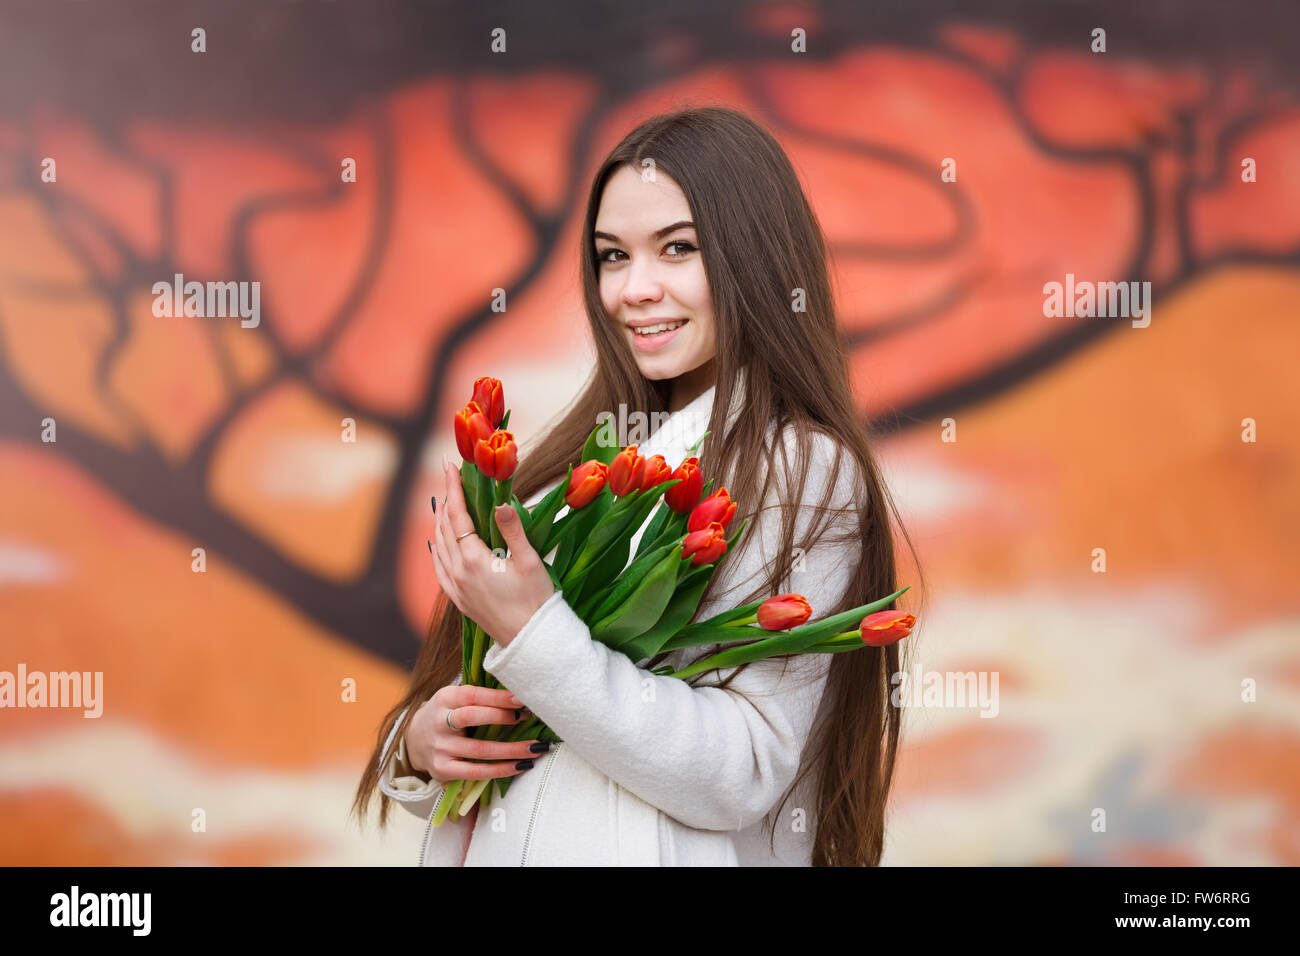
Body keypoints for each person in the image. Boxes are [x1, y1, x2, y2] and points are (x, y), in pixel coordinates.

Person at [351, 105, 922, 866]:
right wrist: (423, 741)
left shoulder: (801, 469)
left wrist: (535, 633)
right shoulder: (567, 468)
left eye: (677, 248)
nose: (632, 289)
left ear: (757, 258)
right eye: (612, 256)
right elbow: (465, 701)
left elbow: (744, 770)